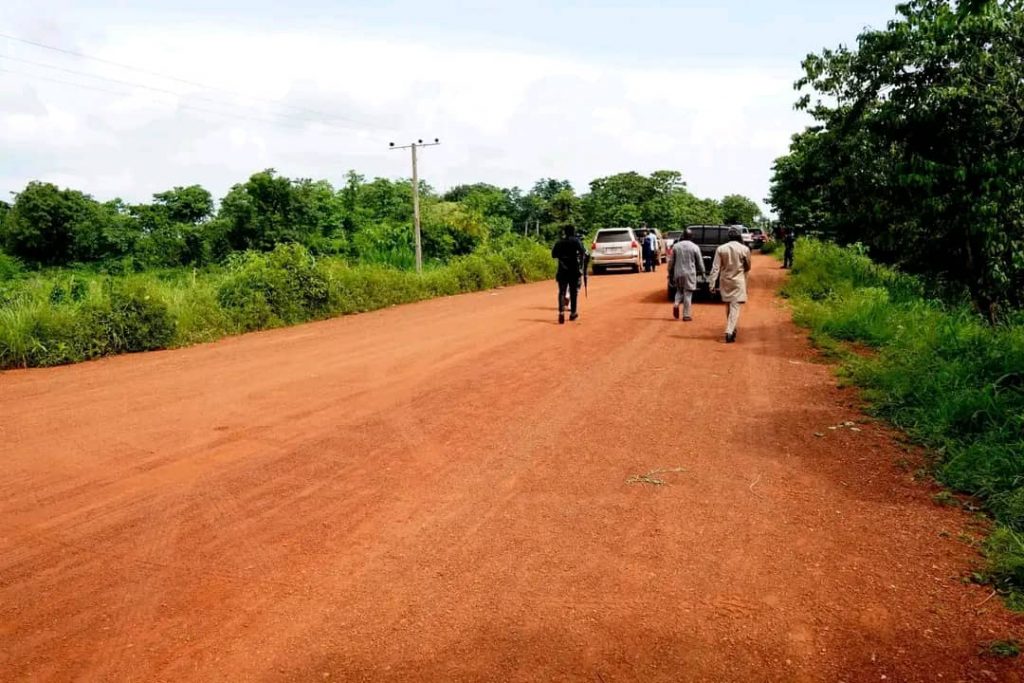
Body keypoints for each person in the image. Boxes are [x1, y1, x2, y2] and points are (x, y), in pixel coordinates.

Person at [708, 226, 751, 343]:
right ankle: (729, 331)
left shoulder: (721, 249)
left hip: (725, 281)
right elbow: (748, 267)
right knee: (735, 306)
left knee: (728, 305)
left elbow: (715, 268)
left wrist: (712, 284)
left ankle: (732, 328)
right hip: (738, 281)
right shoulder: (744, 249)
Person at [551, 225, 588, 324]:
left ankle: (561, 312)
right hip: (573, 270)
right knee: (573, 291)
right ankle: (573, 313)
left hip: (562, 270)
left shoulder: (559, 242)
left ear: (565, 232)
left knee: (562, 292)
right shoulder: (576, 241)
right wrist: (581, 265)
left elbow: (553, 255)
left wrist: (562, 256)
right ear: (573, 232)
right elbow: (583, 252)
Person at [667, 228, 704, 321]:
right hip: (689, 273)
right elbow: (700, 262)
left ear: (683, 236)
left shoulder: (676, 246)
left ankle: (676, 304)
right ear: (691, 237)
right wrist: (703, 273)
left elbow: (671, 261)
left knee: (679, 290)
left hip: (678, 273)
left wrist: (669, 272)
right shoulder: (695, 247)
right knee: (688, 293)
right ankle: (686, 315)